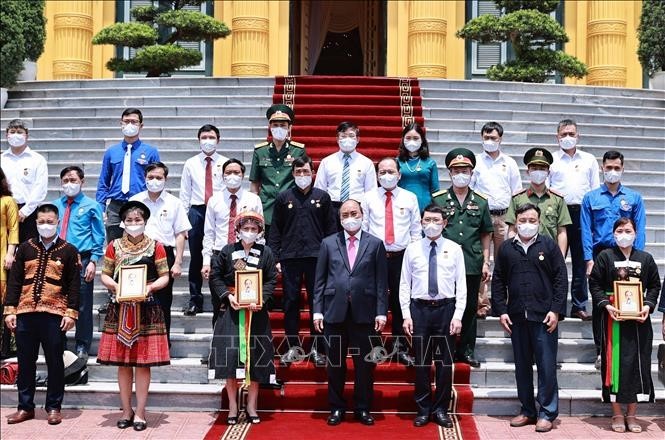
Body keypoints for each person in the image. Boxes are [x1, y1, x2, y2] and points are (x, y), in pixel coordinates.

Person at [491, 203, 568, 433]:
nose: (527, 225)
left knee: (546, 366)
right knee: (522, 366)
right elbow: (498, 281)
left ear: (539, 221)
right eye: (523, 220)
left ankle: (547, 412)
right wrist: (502, 310)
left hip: (544, 318)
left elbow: (560, 280)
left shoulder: (549, 246)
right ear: (516, 222)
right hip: (516, 317)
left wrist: (555, 310)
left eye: (532, 220)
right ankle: (527, 409)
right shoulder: (506, 249)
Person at [96, 201, 170, 431]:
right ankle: (126, 410)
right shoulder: (114, 246)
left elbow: (164, 276)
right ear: (122, 222)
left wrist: (150, 288)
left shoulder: (156, 246)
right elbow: (105, 275)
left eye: (138, 220)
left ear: (145, 222)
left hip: (147, 306)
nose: (134, 224)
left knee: (143, 363)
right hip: (120, 307)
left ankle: (140, 412)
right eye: (129, 220)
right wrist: (117, 287)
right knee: (123, 363)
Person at [312, 199, 388, 426]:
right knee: (335, 364)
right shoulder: (328, 243)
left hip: (364, 313)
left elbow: (381, 281)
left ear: (362, 214)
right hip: (333, 312)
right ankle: (336, 407)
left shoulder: (375, 244)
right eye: (345, 214)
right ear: (339, 217)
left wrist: (381, 312)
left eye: (354, 213)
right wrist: (317, 311)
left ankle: (363, 407)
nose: (349, 217)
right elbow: (320, 280)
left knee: (364, 364)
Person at [3, 204, 79, 426]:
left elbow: (74, 285)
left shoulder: (68, 250)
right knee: (26, 361)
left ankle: (54, 407)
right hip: (26, 312)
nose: (45, 225)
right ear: (35, 223)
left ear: (57, 222)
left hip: (54, 314)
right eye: (41, 222)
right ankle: (25, 407)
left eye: (50, 221)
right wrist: (10, 310)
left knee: (55, 362)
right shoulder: (25, 248)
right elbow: (15, 282)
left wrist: (71, 313)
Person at [588, 217, 661, 433]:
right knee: (615, 366)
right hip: (613, 319)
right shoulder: (605, 256)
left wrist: (647, 305)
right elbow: (595, 284)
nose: (624, 234)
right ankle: (617, 413)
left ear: (636, 233)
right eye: (619, 230)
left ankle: (632, 414)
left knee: (637, 365)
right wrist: (606, 305)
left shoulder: (645, 259)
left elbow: (655, 285)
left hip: (639, 321)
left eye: (628, 230)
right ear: (613, 234)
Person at [399, 204, 466, 428]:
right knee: (421, 363)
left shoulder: (455, 249)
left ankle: (441, 410)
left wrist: (458, 315)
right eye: (427, 220)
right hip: (420, 310)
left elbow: (462, 285)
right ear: (421, 222)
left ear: (444, 223)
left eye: (436, 220)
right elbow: (404, 284)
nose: (431, 224)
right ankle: (423, 408)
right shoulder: (412, 249)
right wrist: (406, 314)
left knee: (445, 363)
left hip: (445, 310)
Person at [209, 211, 277, 425]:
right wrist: (228, 297)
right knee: (230, 359)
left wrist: (262, 300)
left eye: (253, 229)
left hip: (256, 313)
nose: (249, 232)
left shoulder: (266, 253)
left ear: (259, 232)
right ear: (237, 231)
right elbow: (215, 276)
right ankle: (232, 406)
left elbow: (271, 280)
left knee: (255, 358)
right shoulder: (227, 251)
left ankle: (252, 405)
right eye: (245, 229)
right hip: (231, 311)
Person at [581, 150, 647, 369]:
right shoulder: (591, 197)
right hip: (602, 255)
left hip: (627, 254)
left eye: (616, 168)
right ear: (602, 168)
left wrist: (636, 259)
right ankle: (601, 350)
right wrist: (588, 259)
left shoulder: (634, 198)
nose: (612, 171)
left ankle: (626, 349)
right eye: (608, 167)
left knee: (627, 301)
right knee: (601, 305)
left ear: (623, 169)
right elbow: (585, 230)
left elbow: (640, 228)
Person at [269, 155, 336, 366]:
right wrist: (276, 256)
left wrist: (331, 257)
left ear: (313, 173)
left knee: (319, 303)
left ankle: (318, 348)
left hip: (318, 257)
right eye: (298, 172)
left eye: (305, 172)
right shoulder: (283, 198)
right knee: (290, 302)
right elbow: (275, 230)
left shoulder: (323, 198)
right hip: (290, 258)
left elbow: (331, 230)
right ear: (293, 174)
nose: (302, 176)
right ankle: (293, 347)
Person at [432, 148, 492, 368]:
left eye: (465, 170)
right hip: (445, 262)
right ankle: (444, 348)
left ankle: (466, 350)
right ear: (449, 172)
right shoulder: (438, 199)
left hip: (471, 262)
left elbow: (486, 233)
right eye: (456, 170)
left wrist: (486, 261)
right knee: (444, 306)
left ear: (471, 173)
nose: (461, 174)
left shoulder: (481, 201)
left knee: (468, 309)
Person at [361, 157, 421, 366]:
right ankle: (375, 347)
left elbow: (415, 229)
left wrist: (415, 257)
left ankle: (400, 347)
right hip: (375, 256)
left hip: (401, 256)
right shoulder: (368, 198)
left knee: (399, 301)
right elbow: (365, 228)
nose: (387, 175)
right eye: (382, 172)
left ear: (399, 174)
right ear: (377, 176)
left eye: (391, 171)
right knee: (373, 301)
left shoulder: (410, 197)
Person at [130, 162, 192, 344]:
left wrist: (178, 261)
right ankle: (139, 339)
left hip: (164, 253)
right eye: (151, 177)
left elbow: (180, 233)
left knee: (163, 300)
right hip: (138, 252)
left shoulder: (174, 203)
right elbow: (126, 230)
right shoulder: (135, 201)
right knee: (137, 296)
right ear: (144, 178)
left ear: (165, 179)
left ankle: (163, 342)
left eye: (159, 178)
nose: (154, 181)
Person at [548, 119, 600, 321]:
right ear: (557, 137)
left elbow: (595, 189)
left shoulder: (589, 159)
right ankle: (556, 304)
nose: (567, 138)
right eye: (564, 134)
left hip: (583, 213)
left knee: (581, 260)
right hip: (558, 212)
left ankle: (579, 304)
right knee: (555, 260)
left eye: (571, 134)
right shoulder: (551, 159)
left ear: (578, 136)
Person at [470, 122, 522, 318]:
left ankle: (502, 302)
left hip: (503, 216)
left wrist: (514, 219)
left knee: (505, 260)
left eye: (493, 138)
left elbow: (516, 191)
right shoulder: (475, 161)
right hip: (481, 216)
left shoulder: (509, 163)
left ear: (500, 139)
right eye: (486, 137)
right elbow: (471, 189)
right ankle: (481, 303)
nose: (489, 141)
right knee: (480, 260)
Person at [53, 166, 105, 359]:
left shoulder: (92, 205)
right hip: (57, 259)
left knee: (83, 304)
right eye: (65, 181)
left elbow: (98, 235)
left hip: (81, 259)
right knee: (57, 302)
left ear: (82, 182)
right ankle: (59, 343)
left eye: (73, 180)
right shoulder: (55, 205)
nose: (69, 184)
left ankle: (82, 345)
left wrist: (93, 260)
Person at [202, 159, 262, 324]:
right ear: (222, 176)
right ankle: (218, 347)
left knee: (247, 301)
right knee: (219, 305)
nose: (232, 176)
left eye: (237, 173)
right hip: (220, 255)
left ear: (243, 176)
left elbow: (260, 231)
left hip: (246, 256)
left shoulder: (253, 199)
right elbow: (209, 233)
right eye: (228, 173)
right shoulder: (214, 200)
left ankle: (244, 347)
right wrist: (206, 261)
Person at [180, 124, 229, 316]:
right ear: (199, 140)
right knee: (196, 256)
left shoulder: (225, 162)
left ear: (218, 139)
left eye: (211, 137)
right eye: (204, 137)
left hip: (219, 209)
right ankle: (195, 299)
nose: (208, 141)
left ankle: (224, 295)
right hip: (197, 211)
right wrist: (183, 222)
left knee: (221, 253)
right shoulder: (190, 163)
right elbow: (185, 193)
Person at [96, 108, 160, 242]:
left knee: (142, 246)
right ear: (121, 124)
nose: (130, 124)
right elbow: (104, 181)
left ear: (141, 126)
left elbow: (157, 177)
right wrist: (101, 207)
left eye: (134, 121)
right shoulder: (111, 152)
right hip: (115, 207)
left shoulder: (150, 152)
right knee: (114, 247)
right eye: (126, 121)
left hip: (140, 203)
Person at [249, 104, 306, 239]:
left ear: (289, 127)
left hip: (291, 206)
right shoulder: (260, 151)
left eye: (282, 125)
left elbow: (303, 180)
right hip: (266, 208)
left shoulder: (298, 151)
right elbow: (255, 185)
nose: (278, 128)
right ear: (270, 127)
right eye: (275, 125)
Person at [506, 148, 571, 256]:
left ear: (548, 172)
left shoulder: (557, 199)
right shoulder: (518, 198)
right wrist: (514, 253)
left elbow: (561, 232)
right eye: (534, 168)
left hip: (549, 253)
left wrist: (561, 258)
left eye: (542, 168)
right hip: (522, 253)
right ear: (528, 171)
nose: (538, 171)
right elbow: (512, 229)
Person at [314, 122, 377, 223]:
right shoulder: (327, 162)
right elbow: (319, 189)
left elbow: (371, 191)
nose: (347, 139)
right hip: (332, 208)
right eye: (343, 136)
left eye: (351, 136)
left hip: (357, 208)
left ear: (357, 139)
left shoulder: (366, 163)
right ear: (337, 139)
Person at [1, 119, 48, 243]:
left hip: (28, 212)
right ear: (7, 135)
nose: (16, 135)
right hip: (4, 210)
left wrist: (25, 211)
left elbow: (40, 188)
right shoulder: (2, 159)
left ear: (26, 135)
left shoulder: (37, 160)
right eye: (12, 131)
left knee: (28, 252)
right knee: (5, 252)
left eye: (19, 132)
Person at [396, 122, 439, 213]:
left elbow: (435, 190)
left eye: (415, 138)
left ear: (422, 140)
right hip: (402, 207)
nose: (412, 141)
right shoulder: (397, 162)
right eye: (408, 138)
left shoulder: (430, 163)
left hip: (424, 207)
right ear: (403, 140)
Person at [0, 169, 19, 359]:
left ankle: (4, 347)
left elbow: (13, 228)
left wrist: (10, 253)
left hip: (2, 253)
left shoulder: (7, 201)